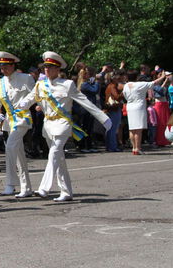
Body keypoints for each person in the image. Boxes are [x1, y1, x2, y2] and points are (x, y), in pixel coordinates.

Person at [18, 52, 111, 202]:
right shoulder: (40, 85)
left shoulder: (67, 84)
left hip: (62, 123)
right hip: (48, 125)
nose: (46, 70)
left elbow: (84, 101)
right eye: (45, 67)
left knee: (54, 153)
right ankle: (66, 191)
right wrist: (22, 105)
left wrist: (103, 118)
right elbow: (30, 98)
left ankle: (44, 188)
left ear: (58, 69)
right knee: (58, 158)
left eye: (50, 67)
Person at [0, 51, 35, 198]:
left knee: (10, 147)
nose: (3, 70)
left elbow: (36, 94)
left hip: (22, 119)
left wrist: (29, 104)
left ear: (13, 65)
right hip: (9, 121)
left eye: (6, 66)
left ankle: (10, 184)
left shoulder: (26, 78)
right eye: (1, 67)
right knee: (19, 153)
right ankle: (26, 187)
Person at [123, 69, 167, 155]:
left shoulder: (126, 85)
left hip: (130, 106)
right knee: (138, 129)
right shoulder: (140, 84)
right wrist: (162, 77)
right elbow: (154, 83)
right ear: (137, 77)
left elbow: (125, 96)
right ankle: (138, 148)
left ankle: (133, 148)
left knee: (132, 129)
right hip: (138, 107)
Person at [104, 70, 126, 151]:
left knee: (111, 128)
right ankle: (112, 147)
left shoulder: (111, 85)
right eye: (116, 76)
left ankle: (110, 146)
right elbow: (117, 97)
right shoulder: (112, 86)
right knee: (113, 129)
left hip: (111, 109)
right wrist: (124, 92)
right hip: (114, 109)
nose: (118, 77)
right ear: (113, 78)